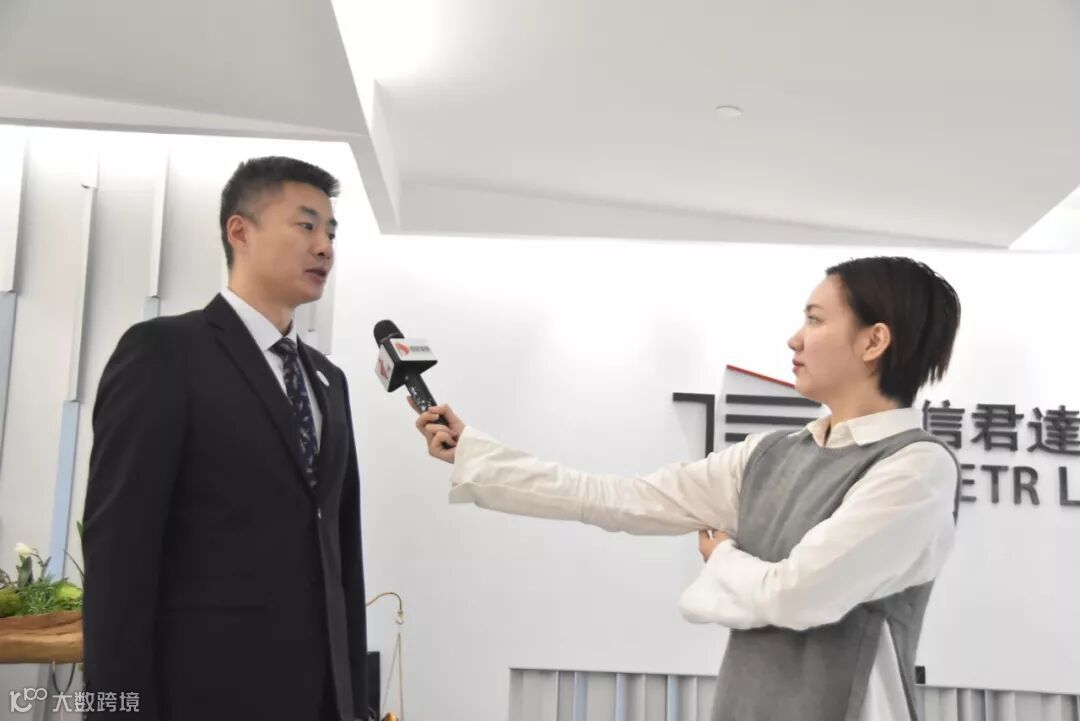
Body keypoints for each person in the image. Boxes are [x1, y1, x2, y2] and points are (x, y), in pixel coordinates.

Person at [413, 256, 961, 721]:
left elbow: (796, 594)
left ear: (874, 340)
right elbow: (618, 499)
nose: (795, 338)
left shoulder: (916, 469)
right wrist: (477, 455)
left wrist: (721, 557)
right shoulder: (769, 454)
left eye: (815, 320)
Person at [82, 157, 369, 721]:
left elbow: (342, 552)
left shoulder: (328, 380)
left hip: (320, 698)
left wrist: (353, 698)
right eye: (306, 225)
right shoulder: (165, 353)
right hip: (203, 693)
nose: (325, 248)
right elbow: (119, 551)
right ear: (240, 231)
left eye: (332, 233)